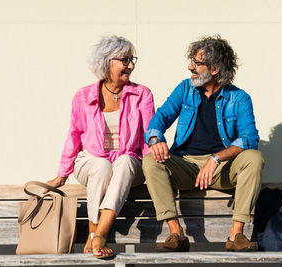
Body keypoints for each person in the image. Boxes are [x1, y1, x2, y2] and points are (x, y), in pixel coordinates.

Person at [142, 35, 264, 252]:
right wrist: (155, 139)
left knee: (254, 158)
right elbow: (160, 118)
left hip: (222, 169)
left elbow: (250, 138)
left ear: (214, 69)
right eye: (191, 61)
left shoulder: (239, 98)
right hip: (186, 165)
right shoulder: (184, 89)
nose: (190, 67)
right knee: (152, 160)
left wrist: (216, 158)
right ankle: (176, 233)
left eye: (197, 63)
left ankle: (236, 235)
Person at [46, 35, 155, 258]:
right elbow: (74, 136)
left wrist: (156, 171)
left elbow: (149, 136)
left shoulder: (142, 94)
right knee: (102, 165)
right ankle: (95, 233)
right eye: (125, 60)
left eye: (132, 60)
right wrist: (62, 175)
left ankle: (98, 233)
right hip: (91, 161)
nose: (131, 66)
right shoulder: (83, 96)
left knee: (123, 161)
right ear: (106, 62)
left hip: (128, 163)